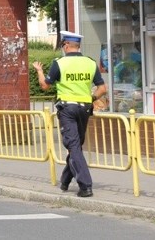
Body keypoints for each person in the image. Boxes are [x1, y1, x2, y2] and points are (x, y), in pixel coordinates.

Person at [32, 31, 107, 198]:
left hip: (67, 109)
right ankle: (65, 180)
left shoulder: (59, 63)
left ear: (66, 45)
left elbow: (45, 86)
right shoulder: (90, 63)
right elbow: (103, 89)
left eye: (62, 45)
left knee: (73, 146)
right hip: (85, 108)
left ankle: (86, 185)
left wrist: (39, 71)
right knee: (76, 146)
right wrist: (91, 98)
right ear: (77, 45)